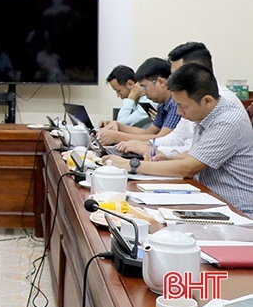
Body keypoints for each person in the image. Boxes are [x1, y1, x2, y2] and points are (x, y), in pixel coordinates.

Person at [107, 63, 253, 216]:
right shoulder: (207, 113)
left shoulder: (227, 121)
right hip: (210, 199)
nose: (179, 112)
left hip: (237, 210)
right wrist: (166, 156)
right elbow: (197, 153)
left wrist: (132, 165)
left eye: (182, 106)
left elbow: (188, 167)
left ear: (207, 101)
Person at [115, 42, 244, 158]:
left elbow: (194, 156)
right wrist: (145, 144)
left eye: (176, 74)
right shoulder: (188, 99)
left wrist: (152, 152)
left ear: (196, 70)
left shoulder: (222, 104)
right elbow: (177, 138)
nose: (170, 79)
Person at [98, 57, 181, 145]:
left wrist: (117, 137)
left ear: (161, 82)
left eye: (144, 87)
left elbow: (162, 138)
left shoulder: (175, 103)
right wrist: (119, 126)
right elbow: (148, 132)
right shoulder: (162, 104)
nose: (143, 92)